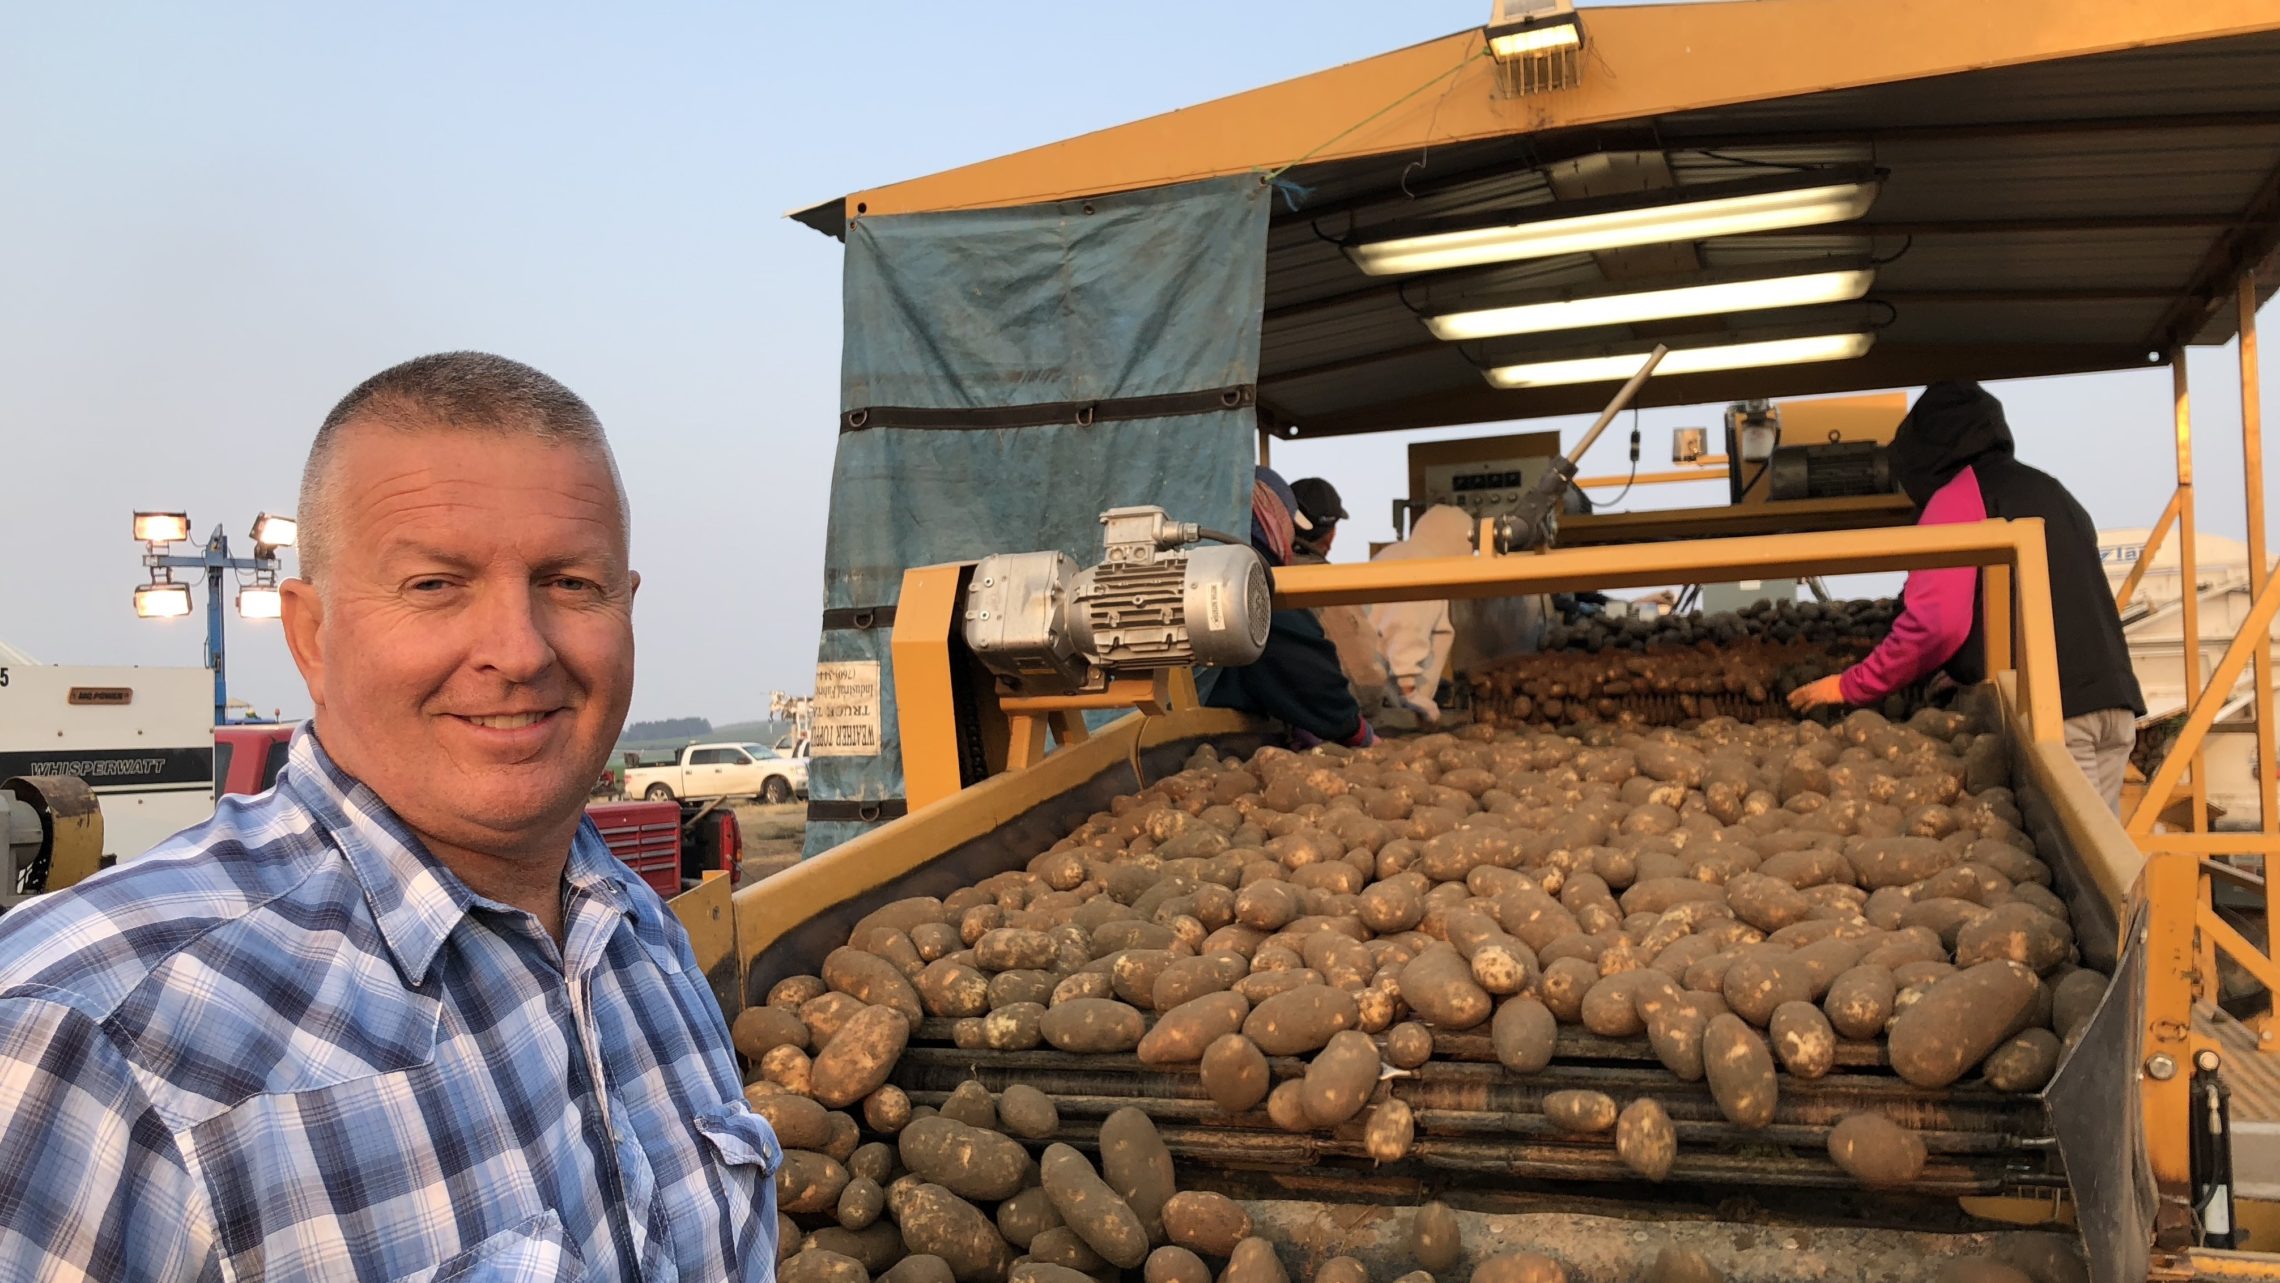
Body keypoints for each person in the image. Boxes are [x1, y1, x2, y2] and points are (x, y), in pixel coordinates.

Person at [0, 353, 781, 1280]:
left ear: (627, 607)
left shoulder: (640, 936)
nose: (519, 651)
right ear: (310, 636)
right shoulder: (87, 1041)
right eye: (435, 584)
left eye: (571, 583)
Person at [1790, 380, 2144, 811]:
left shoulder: (1958, 497)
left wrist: (1850, 686)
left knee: (2074, 862)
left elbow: (1935, 624)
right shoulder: (2052, 491)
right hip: (2113, 703)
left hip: (2055, 715)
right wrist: (1966, 663)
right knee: (2099, 865)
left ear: (1922, 453)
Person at [1204, 467, 1374, 747]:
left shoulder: (1210, 560)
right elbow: (1306, 671)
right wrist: (1356, 730)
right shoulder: (1255, 579)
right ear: (1272, 518)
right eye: (1287, 525)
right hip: (1214, 737)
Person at [1287, 477, 1400, 720]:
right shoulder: (1326, 586)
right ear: (1330, 534)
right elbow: (1364, 687)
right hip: (1318, 724)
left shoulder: (1259, 572)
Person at [1367, 504, 1474, 723]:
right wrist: (1410, 691)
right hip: (1388, 701)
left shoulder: (1395, 553)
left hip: (1374, 689)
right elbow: (1406, 625)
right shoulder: (1426, 567)